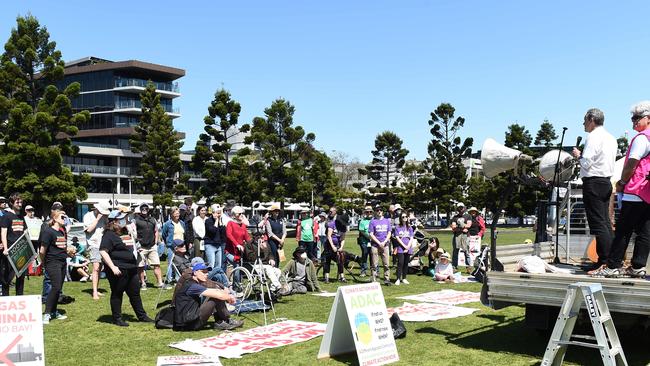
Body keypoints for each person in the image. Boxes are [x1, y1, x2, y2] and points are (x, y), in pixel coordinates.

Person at [592, 101, 650, 278]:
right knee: (645, 230)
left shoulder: (642, 138)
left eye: (636, 118)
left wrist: (623, 182)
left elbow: (632, 163)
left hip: (636, 189)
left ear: (648, 118)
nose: (633, 122)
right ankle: (638, 266)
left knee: (624, 229)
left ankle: (613, 266)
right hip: (647, 191)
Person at [571, 108, 618, 272]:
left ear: (591, 119)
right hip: (606, 182)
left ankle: (605, 261)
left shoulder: (592, 137)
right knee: (604, 222)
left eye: (584, 120)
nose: (583, 123)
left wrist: (578, 155)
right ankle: (609, 259)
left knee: (598, 223)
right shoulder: (611, 137)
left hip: (593, 182)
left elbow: (586, 163)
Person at [99, 209, 153, 326]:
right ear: (114, 222)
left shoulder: (123, 233)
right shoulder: (108, 235)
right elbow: (103, 251)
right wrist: (113, 267)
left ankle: (142, 316)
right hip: (119, 269)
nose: (125, 220)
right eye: (122, 219)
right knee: (117, 293)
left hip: (131, 268)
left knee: (135, 293)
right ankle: (117, 318)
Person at [172, 262, 243, 331]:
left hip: (187, 320)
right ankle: (226, 320)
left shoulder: (192, 282)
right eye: (203, 272)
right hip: (188, 324)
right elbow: (218, 295)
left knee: (215, 295)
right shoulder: (193, 286)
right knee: (216, 297)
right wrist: (229, 297)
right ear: (195, 272)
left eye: (207, 272)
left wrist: (224, 293)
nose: (206, 274)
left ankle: (221, 322)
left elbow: (214, 290)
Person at [39, 210, 69, 324]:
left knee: (58, 289)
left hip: (62, 262)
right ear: (55, 218)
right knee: (55, 287)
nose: (64, 218)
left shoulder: (61, 232)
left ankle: (54, 311)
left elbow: (63, 248)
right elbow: (42, 250)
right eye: (62, 216)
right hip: (52, 262)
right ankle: (46, 314)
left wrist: (69, 252)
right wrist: (44, 263)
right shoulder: (48, 232)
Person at [0, 193, 27, 296]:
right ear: (12, 203)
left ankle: (19, 297)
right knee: (6, 278)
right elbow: (3, 232)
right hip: (10, 251)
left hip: (21, 251)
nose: (20, 204)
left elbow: (25, 233)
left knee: (21, 278)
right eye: (17, 202)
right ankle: (5, 299)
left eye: (21, 202)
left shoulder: (21, 217)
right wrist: (6, 248)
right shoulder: (6, 216)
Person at [84, 200, 110, 300]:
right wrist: (98, 219)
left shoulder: (104, 217)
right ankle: (94, 292)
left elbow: (107, 229)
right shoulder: (88, 216)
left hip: (103, 244)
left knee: (99, 268)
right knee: (96, 267)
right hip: (93, 244)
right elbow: (89, 230)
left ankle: (96, 289)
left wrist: (106, 220)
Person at [134, 203, 164, 289]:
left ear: (148, 210)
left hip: (152, 246)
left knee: (157, 265)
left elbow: (156, 231)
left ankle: (160, 282)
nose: (144, 210)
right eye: (142, 209)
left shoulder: (152, 220)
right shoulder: (136, 220)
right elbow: (133, 232)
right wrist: (137, 244)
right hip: (141, 247)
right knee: (140, 266)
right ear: (140, 210)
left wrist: (155, 241)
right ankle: (143, 283)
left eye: (146, 209)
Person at [225, 206, 250, 282]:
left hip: (239, 252)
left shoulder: (243, 225)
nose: (242, 215)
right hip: (230, 251)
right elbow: (229, 234)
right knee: (236, 266)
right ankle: (235, 286)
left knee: (238, 268)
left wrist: (254, 243)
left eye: (243, 213)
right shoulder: (230, 223)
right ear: (234, 215)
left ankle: (237, 285)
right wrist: (237, 244)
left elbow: (247, 238)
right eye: (239, 214)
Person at [161, 207, 186, 282]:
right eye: (175, 213)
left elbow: (184, 233)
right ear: (172, 214)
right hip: (172, 246)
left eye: (178, 213)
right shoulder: (167, 224)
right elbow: (164, 234)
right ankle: (169, 279)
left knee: (179, 263)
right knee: (171, 263)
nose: (177, 214)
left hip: (181, 246)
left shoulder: (182, 223)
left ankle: (178, 279)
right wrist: (169, 243)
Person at [369, 205, 392, 286]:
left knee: (386, 264)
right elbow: (371, 234)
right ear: (375, 211)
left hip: (385, 245)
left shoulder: (387, 221)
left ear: (382, 212)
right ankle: (374, 279)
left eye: (381, 210)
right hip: (375, 245)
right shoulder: (372, 221)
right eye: (378, 210)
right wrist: (379, 243)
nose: (379, 211)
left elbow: (389, 232)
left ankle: (387, 279)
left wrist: (384, 242)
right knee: (374, 263)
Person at [323, 206, 345, 283]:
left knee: (340, 260)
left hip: (338, 245)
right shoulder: (331, 222)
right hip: (329, 245)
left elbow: (343, 238)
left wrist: (341, 247)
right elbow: (328, 235)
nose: (330, 213)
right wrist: (332, 246)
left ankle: (342, 277)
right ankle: (326, 277)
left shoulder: (342, 226)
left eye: (331, 211)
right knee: (327, 260)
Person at [204, 204, 227, 272]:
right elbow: (212, 231)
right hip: (210, 245)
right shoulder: (208, 221)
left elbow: (223, 234)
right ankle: (209, 280)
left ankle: (216, 281)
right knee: (211, 265)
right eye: (218, 212)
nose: (219, 214)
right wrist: (216, 221)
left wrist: (220, 222)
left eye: (220, 213)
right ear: (213, 213)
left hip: (218, 245)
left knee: (218, 266)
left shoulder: (220, 220)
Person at [393, 212, 413, 285]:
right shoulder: (398, 227)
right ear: (400, 218)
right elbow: (397, 237)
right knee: (400, 263)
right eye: (403, 217)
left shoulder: (409, 227)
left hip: (408, 247)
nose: (404, 218)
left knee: (406, 263)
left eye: (405, 216)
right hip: (401, 247)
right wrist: (404, 246)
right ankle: (398, 278)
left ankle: (404, 278)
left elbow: (411, 237)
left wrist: (408, 246)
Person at [450, 203, 472, 269]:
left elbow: (469, 225)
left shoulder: (468, 216)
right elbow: (453, 227)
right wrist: (462, 228)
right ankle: (454, 266)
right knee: (455, 251)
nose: (461, 209)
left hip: (466, 236)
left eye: (462, 207)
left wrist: (459, 226)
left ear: (464, 208)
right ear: (457, 208)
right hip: (457, 236)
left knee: (466, 251)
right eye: (459, 207)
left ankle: (468, 267)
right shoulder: (455, 217)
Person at [357, 206, 373, 277]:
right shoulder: (362, 221)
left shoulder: (374, 220)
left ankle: (374, 271)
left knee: (373, 256)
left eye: (370, 212)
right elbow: (362, 231)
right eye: (367, 212)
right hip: (364, 241)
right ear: (365, 213)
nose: (369, 213)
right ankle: (363, 271)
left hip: (373, 241)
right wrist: (369, 237)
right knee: (365, 255)